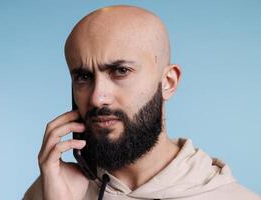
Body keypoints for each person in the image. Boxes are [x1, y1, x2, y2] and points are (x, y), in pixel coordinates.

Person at [23, 5, 260, 200]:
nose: (97, 97)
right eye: (84, 77)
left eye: (121, 71)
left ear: (168, 82)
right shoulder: (51, 190)